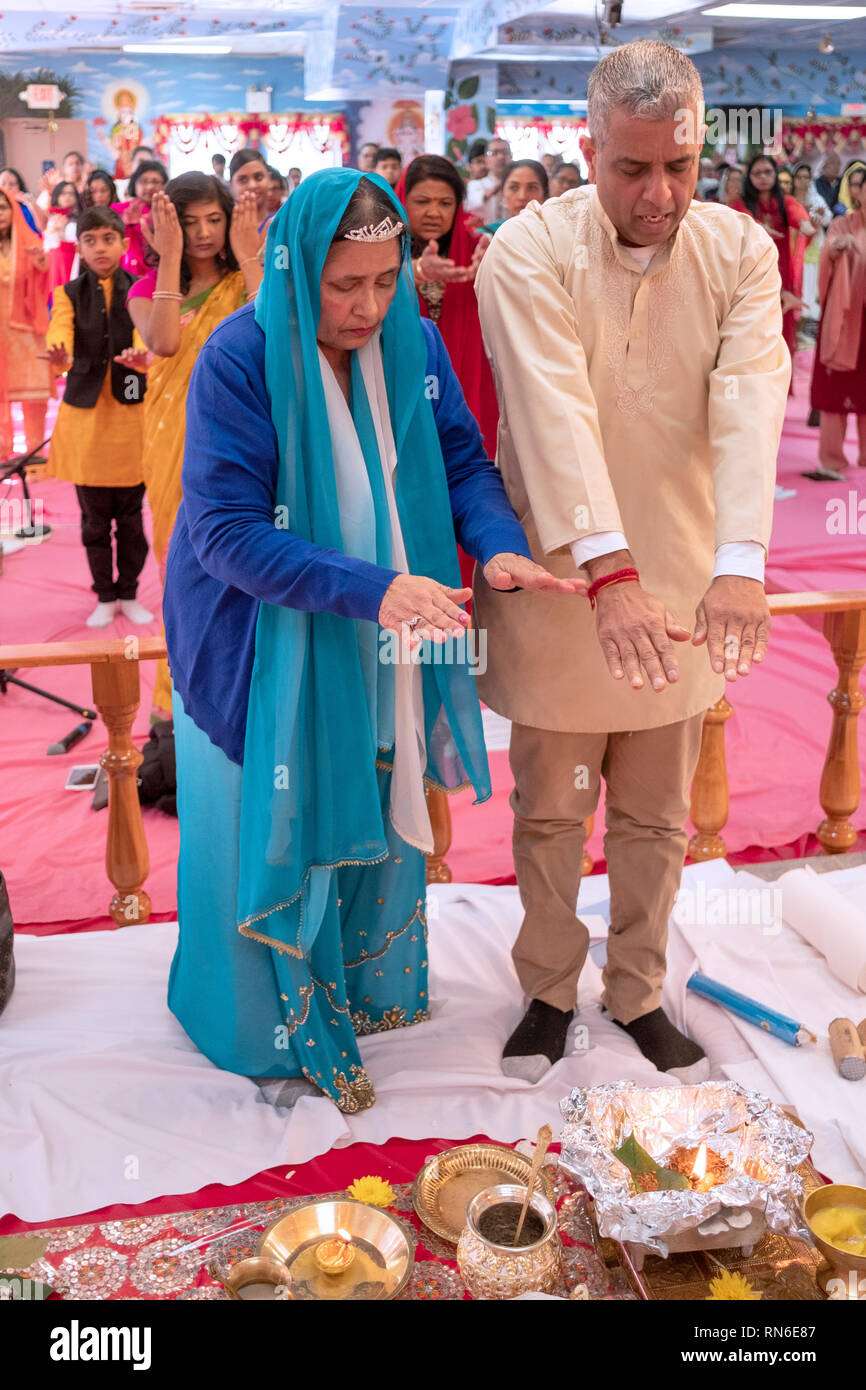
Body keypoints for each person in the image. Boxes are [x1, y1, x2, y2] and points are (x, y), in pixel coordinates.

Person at [161, 168, 580, 1108]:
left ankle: (359, 990)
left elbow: (465, 463)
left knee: (371, 776)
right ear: (296, 266)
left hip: (385, 615)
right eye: (343, 285)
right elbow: (224, 533)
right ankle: (266, 1022)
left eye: (385, 280)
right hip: (258, 637)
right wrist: (374, 587)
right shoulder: (240, 356)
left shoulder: (413, 344)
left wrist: (498, 549)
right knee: (268, 814)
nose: (367, 306)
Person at [475, 40, 790, 1085]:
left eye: (678, 168)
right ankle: (547, 988)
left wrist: (738, 561)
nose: (657, 195)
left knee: (657, 815)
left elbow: (749, 402)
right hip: (568, 588)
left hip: (687, 593)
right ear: (587, 148)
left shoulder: (740, 249)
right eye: (630, 168)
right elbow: (549, 412)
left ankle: (639, 990)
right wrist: (606, 575)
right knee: (554, 807)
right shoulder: (525, 249)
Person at [127, 173, 264, 713]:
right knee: (180, 561)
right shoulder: (145, 289)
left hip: (240, 429)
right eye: (190, 223)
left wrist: (248, 253)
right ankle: (177, 704)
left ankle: (238, 688)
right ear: (168, 227)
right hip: (172, 441)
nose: (204, 232)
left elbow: (269, 325)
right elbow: (163, 342)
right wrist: (169, 258)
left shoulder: (244, 279)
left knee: (240, 554)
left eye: (214, 219)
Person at [44, 207, 150, 628]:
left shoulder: (140, 289)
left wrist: (145, 355)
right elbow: (60, 332)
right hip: (85, 421)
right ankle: (104, 594)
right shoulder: (68, 293)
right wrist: (61, 356)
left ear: (124, 244)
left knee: (130, 517)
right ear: (80, 248)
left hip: (130, 417)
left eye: (108, 238)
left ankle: (129, 591)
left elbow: (146, 331)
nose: (100, 247)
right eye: (91, 240)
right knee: (93, 519)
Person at [397, 155, 498, 462]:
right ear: (402, 200)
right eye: (422, 201)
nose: (433, 212)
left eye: (445, 203)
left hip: (466, 386)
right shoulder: (380, 251)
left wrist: (498, 263)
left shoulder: (478, 250)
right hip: (401, 386)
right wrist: (413, 270)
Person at [809, 163, 866, 476]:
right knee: (835, 391)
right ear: (859, 193)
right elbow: (829, 246)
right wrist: (836, 248)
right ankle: (832, 457)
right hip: (844, 322)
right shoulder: (843, 224)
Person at [729, 154, 815, 363]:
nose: (763, 177)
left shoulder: (785, 201)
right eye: (757, 173)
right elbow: (739, 218)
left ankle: (778, 378)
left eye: (767, 172)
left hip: (780, 277)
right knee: (752, 331)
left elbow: (796, 211)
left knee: (779, 329)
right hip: (750, 278)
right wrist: (758, 227)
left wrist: (804, 223)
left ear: (775, 175)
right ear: (749, 177)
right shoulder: (740, 203)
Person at [0, 191, 53, 460]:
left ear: (13, 211)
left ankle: (34, 450)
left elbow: (46, 276)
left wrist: (42, 265)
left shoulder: (29, 242)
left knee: (34, 394)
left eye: (3, 208)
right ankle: (2, 451)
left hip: (26, 329)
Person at [113, 159, 168, 278]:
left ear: (164, 185)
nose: (149, 186)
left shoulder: (169, 212)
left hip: (159, 276)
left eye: (155, 182)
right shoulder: (118, 210)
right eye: (144, 181)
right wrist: (124, 222)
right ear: (134, 184)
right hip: (123, 277)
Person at [480, 160, 548, 234]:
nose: (522, 196)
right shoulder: (487, 236)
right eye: (514, 187)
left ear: (544, 195)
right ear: (502, 193)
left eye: (532, 188)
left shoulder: (555, 235)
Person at [464, 136, 511, 226]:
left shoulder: (518, 185)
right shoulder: (476, 185)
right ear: (486, 159)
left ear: (511, 156)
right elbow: (467, 206)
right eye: (495, 153)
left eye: (505, 152)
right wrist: (487, 194)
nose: (500, 157)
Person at [44, 181, 82, 293]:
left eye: (71, 193)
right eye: (63, 193)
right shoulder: (49, 216)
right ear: (56, 196)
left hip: (73, 259)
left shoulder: (79, 216)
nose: (68, 196)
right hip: (54, 261)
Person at [230, 148, 272, 232]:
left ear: (269, 179)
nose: (252, 186)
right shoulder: (224, 228)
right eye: (243, 180)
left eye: (259, 177)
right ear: (231, 185)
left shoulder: (279, 224)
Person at [0, 168, 47, 233]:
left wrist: (30, 202)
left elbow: (42, 227)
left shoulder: (27, 208)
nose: (7, 188)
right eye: (2, 184)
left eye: (12, 184)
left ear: (19, 187)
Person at [814, 150, 843, 218]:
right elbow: (827, 203)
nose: (836, 166)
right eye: (832, 163)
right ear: (823, 167)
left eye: (838, 163)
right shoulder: (817, 183)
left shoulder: (842, 182)